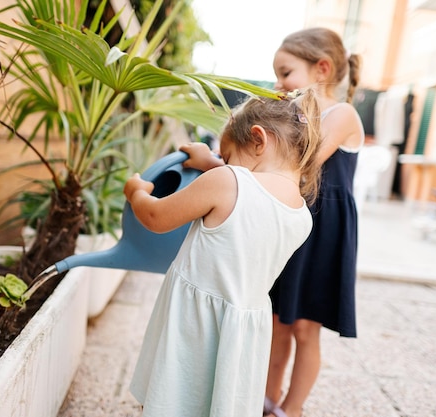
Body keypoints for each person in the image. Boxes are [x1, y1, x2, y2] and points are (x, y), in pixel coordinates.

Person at [125, 89, 322, 417]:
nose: (224, 164)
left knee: (172, 395)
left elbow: (156, 218)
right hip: (243, 329)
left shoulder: (227, 181)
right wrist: (215, 162)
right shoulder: (302, 215)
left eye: (226, 157)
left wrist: (137, 192)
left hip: (194, 323)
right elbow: (256, 191)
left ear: (258, 139)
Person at [264, 28, 365, 417]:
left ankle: (292, 407)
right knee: (278, 322)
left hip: (325, 230)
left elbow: (303, 165)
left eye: (286, 72)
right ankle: (265, 398)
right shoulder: (294, 116)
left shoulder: (342, 114)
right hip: (293, 225)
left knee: (306, 327)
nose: (278, 83)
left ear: (321, 68)